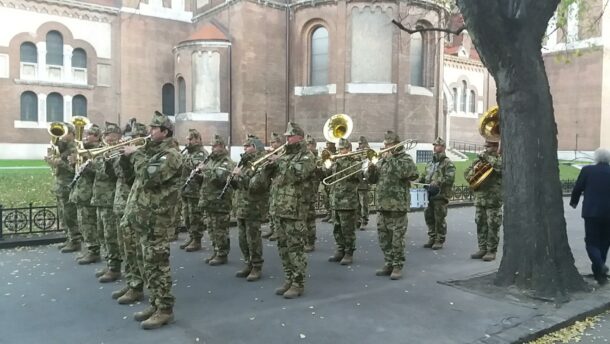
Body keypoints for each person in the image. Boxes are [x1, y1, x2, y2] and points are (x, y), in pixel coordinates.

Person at [120, 111, 182, 329]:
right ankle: (155, 303)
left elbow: (149, 177)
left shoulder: (171, 155)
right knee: (147, 263)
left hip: (158, 219)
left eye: (154, 128)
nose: (149, 132)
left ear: (164, 132)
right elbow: (131, 178)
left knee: (158, 264)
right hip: (144, 217)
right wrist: (125, 158)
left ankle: (165, 309)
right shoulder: (150, 152)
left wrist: (135, 155)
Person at [264, 122, 315, 298]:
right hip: (280, 208)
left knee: (295, 248)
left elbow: (296, 174)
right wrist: (269, 166)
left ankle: (298, 283)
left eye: (290, 136)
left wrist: (280, 161)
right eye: (286, 136)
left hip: (295, 210)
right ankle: (288, 278)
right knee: (283, 246)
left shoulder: (306, 156)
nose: (286, 139)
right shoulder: (284, 155)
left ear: (299, 138)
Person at [366, 131, 419, 280]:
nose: (386, 147)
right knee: (384, 237)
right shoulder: (382, 160)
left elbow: (413, 174)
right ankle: (388, 262)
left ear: (396, 145)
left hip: (398, 206)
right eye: (385, 144)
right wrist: (371, 169)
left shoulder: (404, 159)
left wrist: (390, 160)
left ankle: (397, 266)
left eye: (389, 144)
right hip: (383, 205)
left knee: (397, 239)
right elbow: (372, 180)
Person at [111, 122, 148, 303]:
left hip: (137, 207)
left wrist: (134, 154)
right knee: (126, 248)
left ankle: (137, 285)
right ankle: (131, 280)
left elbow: (143, 175)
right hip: (125, 205)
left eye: (134, 137)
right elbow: (123, 176)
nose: (129, 140)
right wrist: (121, 158)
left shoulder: (145, 154)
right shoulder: (133, 154)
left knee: (135, 250)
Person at [232, 135, 269, 281]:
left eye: (248, 146)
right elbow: (238, 187)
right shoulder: (244, 162)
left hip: (253, 205)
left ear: (255, 147)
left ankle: (256, 266)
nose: (245, 148)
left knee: (253, 237)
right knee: (242, 238)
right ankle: (248, 262)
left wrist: (241, 176)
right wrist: (234, 178)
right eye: (244, 146)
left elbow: (256, 185)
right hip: (242, 205)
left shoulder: (262, 163)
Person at [570, 148, 610, 285]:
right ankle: (600, 275)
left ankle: (599, 265)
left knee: (591, 242)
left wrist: (574, 202)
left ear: (596, 158)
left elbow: (577, 187)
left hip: (592, 212)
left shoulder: (587, 170)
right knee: (604, 242)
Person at [91, 122, 123, 282]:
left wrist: (98, 162)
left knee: (111, 236)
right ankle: (109, 262)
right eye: (105, 135)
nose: (106, 138)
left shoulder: (117, 153)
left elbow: (110, 174)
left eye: (109, 135)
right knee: (102, 234)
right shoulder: (104, 152)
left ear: (117, 136)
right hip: (100, 198)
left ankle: (115, 267)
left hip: (110, 199)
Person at [198, 134, 236, 266]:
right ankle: (216, 250)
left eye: (215, 146)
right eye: (212, 146)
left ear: (221, 146)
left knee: (220, 230)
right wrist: (198, 174)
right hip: (209, 201)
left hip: (220, 202)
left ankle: (222, 254)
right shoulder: (211, 161)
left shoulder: (227, 162)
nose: (213, 148)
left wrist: (206, 170)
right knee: (211, 228)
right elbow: (205, 180)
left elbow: (219, 178)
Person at [69, 124, 102, 264]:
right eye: (86, 134)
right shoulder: (84, 150)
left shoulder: (98, 151)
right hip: (81, 192)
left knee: (89, 224)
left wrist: (87, 167)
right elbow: (78, 172)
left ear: (96, 137)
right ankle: (89, 249)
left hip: (89, 192)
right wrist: (73, 163)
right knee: (83, 223)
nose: (85, 136)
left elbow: (98, 172)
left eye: (89, 134)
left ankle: (94, 251)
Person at [44, 123, 81, 252]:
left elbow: (75, 169)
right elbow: (55, 161)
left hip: (68, 184)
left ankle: (75, 240)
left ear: (71, 134)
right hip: (60, 184)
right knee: (62, 214)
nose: (62, 136)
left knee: (69, 214)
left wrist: (59, 163)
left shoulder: (75, 147)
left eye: (65, 133)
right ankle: (69, 238)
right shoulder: (60, 146)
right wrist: (50, 159)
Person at [464, 140, 503, 262]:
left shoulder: (500, 159)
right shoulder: (479, 161)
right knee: (480, 223)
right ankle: (482, 248)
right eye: (485, 146)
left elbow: (500, 168)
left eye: (489, 147)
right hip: (480, 199)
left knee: (493, 225)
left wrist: (487, 158)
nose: (486, 149)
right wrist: (475, 172)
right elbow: (467, 173)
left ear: (496, 147)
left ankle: (491, 251)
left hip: (493, 199)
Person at [326, 138, 360, 265]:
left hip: (348, 201)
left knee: (347, 229)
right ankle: (340, 249)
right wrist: (326, 165)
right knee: (337, 228)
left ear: (349, 149)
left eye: (342, 149)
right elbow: (327, 175)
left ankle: (349, 252)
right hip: (336, 199)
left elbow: (353, 174)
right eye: (339, 149)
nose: (340, 151)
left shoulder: (354, 161)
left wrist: (340, 161)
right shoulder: (335, 161)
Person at [420, 137, 455, 250]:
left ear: (443, 147)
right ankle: (432, 237)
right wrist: (418, 181)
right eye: (434, 145)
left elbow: (450, 178)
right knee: (428, 216)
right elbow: (425, 175)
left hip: (440, 195)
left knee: (439, 218)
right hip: (428, 194)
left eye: (438, 145)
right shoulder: (430, 162)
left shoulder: (447, 162)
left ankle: (439, 239)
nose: (435, 147)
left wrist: (439, 181)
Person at [179, 129, 209, 252]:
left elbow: (197, 166)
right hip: (186, 189)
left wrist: (185, 158)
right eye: (188, 139)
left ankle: (197, 239)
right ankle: (191, 236)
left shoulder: (201, 153)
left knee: (195, 216)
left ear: (197, 140)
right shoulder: (188, 153)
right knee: (186, 216)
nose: (188, 142)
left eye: (191, 139)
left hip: (195, 190)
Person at [261, 132, 283, 241]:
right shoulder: (272, 152)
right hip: (272, 183)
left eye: (273, 142)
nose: (271, 144)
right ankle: (272, 228)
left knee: (277, 208)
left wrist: (276, 158)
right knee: (271, 207)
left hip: (281, 183)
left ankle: (278, 231)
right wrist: (267, 159)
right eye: (270, 142)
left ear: (279, 142)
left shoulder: (283, 152)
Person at [304, 134, 322, 252]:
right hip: (301, 192)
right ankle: (304, 240)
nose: (308, 146)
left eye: (310, 144)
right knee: (302, 218)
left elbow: (319, 174)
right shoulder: (304, 156)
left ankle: (310, 242)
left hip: (310, 192)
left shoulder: (317, 158)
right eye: (307, 144)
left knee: (309, 218)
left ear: (314, 145)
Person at [321, 141, 337, 222]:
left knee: (332, 198)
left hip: (334, 180)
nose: (327, 146)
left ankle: (333, 216)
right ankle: (329, 213)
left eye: (328, 144)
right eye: (326, 144)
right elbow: (324, 168)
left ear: (333, 144)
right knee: (326, 198)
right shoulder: (326, 154)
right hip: (326, 178)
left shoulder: (337, 154)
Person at [357, 136, 371, 230]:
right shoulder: (357, 152)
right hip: (356, 181)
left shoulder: (369, 153)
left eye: (361, 143)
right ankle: (357, 220)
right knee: (356, 203)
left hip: (364, 182)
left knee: (363, 203)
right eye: (359, 144)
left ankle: (364, 220)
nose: (360, 145)